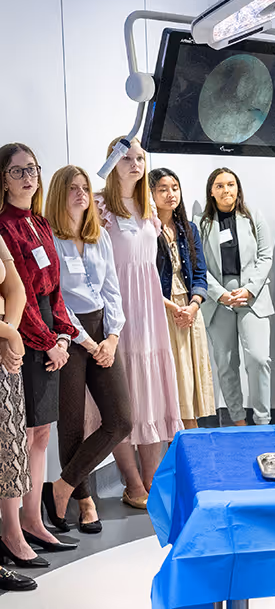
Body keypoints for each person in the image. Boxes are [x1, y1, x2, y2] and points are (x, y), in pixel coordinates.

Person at [0, 144, 78, 564]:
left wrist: (63, 336)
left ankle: (34, 520)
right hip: (22, 333)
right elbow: (22, 295)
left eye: (32, 169)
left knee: (42, 433)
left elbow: (55, 290)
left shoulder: (42, 223)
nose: (28, 177)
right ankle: (13, 531)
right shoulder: (4, 225)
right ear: (3, 179)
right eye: (17, 171)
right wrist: (45, 339)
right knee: (22, 435)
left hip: (49, 330)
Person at [45, 165, 132, 535]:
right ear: (58, 194)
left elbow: (112, 289)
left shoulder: (100, 236)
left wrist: (111, 337)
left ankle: (61, 487)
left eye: (84, 188)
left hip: (103, 330)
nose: (82, 194)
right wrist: (86, 341)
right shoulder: (49, 237)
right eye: (72, 188)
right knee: (71, 424)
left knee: (120, 420)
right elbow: (57, 299)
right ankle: (85, 501)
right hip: (68, 335)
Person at [97, 137, 182, 510]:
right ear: (112, 162)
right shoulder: (100, 207)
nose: (135, 164)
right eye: (127, 158)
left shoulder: (148, 207)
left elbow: (150, 267)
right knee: (120, 399)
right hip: (117, 311)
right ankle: (132, 483)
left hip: (149, 313)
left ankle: (152, 479)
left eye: (140, 158)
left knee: (151, 394)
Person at [196, 168, 273, 426]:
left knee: (259, 359)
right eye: (219, 185)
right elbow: (198, 266)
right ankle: (238, 421)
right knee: (226, 364)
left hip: (252, 295)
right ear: (211, 191)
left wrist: (250, 289)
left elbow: (265, 257)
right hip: (219, 299)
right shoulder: (201, 224)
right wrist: (220, 295)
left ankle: (262, 420)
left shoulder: (254, 217)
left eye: (231, 184)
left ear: (238, 188)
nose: (226, 190)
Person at [149, 168, 215, 429]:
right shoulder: (147, 230)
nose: (170, 194)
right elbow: (145, 278)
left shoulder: (189, 228)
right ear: (151, 193)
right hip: (163, 308)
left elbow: (200, 273)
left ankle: (191, 436)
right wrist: (173, 307)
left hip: (189, 310)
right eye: (163, 189)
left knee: (191, 375)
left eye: (174, 188)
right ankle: (180, 441)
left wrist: (194, 305)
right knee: (174, 377)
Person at [0, 224, 40, 590]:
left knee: (5, 454)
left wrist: (8, 330)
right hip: (4, 341)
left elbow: (14, 287)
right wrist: (10, 334)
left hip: (3, 353)